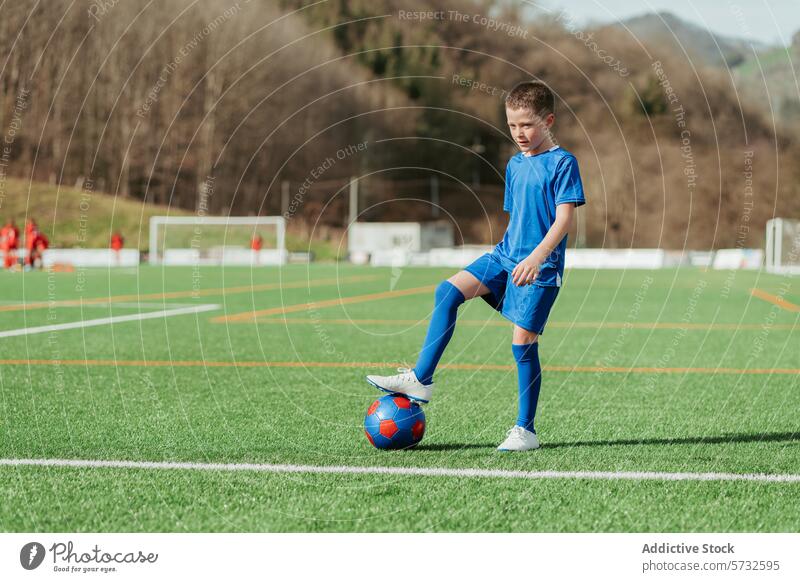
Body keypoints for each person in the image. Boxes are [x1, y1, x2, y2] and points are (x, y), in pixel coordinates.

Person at [366, 81, 587, 451]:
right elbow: (519, 218)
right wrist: (511, 253)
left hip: (540, 269)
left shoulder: (563, 163)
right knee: (447, 291)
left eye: (528, 125)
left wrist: (536, 257)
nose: (520, 133)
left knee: (522, 344)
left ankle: (525, 430)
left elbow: (563, 221)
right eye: (513, 125)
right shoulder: (515, 164)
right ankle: (421, 378)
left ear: (548, 121)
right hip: (503, 257)